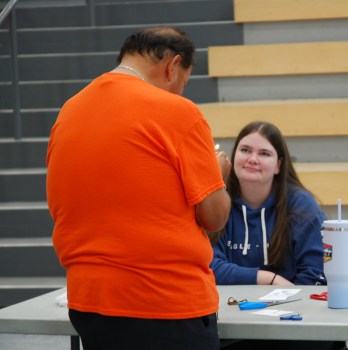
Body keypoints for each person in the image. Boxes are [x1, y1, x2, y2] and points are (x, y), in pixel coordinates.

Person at [47, 26, 231, 350]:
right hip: (167, 307)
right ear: (172, 67)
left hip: (89, 305)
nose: (180, 95)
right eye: (183, 85)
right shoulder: (178, 112)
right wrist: (218, 175)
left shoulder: (67, 113)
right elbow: (215, 218)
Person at [208, 122, 345, 350]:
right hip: (233, 318)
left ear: (279, 165)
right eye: (245, 150)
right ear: (233, 158)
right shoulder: (218, 202)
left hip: (293, 322)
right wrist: (268, 278)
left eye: (264, 153)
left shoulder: (301, 206)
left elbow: (317, 275)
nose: (253, 159)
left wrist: (280, 306)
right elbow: (209, 266)